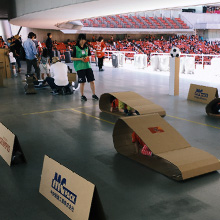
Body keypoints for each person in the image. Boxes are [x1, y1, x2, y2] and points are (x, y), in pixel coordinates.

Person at [72, 34, 99, 101]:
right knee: (82, 82)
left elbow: (89, 56)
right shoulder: (75, 48)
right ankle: (82, 95)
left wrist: (87, 58)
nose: (82, 41)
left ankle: (94, 94)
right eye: (81, 39)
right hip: (79, 67)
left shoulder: (86, 47)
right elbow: (72, 58)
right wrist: (80, 59)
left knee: (92, 81)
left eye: (83, 39)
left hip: (87, 66)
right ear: (79, 40)